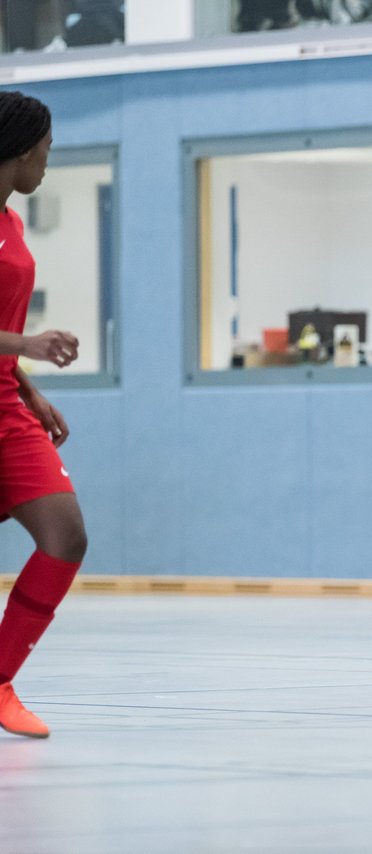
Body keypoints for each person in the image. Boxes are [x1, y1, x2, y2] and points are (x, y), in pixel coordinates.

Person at [0, 91, 89, 739]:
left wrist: (28, 387)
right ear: (23, 149)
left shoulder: (12, 225)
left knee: (64, 534)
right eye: (48, 151)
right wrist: (25, 346)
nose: (48, 165)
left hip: (6, 402)